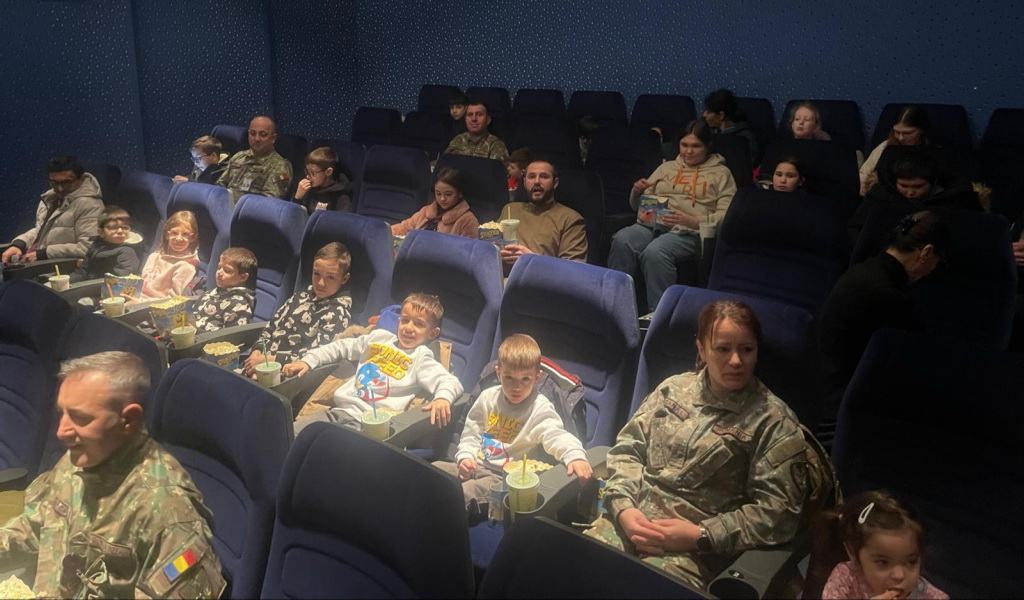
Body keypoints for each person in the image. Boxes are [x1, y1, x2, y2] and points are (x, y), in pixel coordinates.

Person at [583, 300, 811, 589]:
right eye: (723, 349)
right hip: (628, 524)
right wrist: (623, 508)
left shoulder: (772, 421)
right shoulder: (673, 389)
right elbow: (628, 450)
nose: (736, 361)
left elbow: (779, 513)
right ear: (702, 349)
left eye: (746, 349)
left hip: (695, 553)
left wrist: (701, 535)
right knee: (570, 575)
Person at [0, 351, 225, 599]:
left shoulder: (168, 514)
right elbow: (38, 526)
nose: (61, 431)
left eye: (79, 417)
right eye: (62, 413)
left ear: (127, 419)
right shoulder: (80, 459)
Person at [434, 333, 592, 509]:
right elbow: (472, 432)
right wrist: (465, 456)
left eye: (525, 379)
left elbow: (557, 436)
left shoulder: (539, 408)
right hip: (474, 464)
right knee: (432, 472)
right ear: (498, 373)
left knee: (461, 494)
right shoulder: (487, 397)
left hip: (503, 478)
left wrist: (575, 456)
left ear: (537, 378)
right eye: (509, 377)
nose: (517, 387)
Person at [284, 292, 464, 433]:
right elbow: (340, 347)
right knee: (289, 435)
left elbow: (450, 382)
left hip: (368, 426)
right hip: (337, 411)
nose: (409, 328)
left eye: (419, 324)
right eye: (405, 320)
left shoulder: (421, 358)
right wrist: (308, 361)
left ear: (432, 333)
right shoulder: (379, 338)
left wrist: (443, 398)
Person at [819, 211, 950, 401]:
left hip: (825, 379)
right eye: (939, 261)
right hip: (847, 391)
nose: (932, 271)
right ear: (926, 252)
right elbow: (917, 351)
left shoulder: (863, 269)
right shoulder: (889, 296)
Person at [608, 120, 737, 313]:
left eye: (695, 146)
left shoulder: (721, 173)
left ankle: (660, 315)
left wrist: (695, 222)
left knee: (656, 252)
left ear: (707, 146)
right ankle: (615, 307)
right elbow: (639, 208)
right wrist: (637, 193)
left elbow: (727, 214)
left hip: (690, 231)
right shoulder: (666, 168)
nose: (688, 151)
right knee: (622, 240)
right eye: (684, 145)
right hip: (654, 223)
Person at [813, 491, 948, 599]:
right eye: (883, 562)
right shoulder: (846, 579)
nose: (899, 575)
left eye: (911, 562)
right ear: (853, 551)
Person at [243, 242, 352, 376]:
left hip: (287, 373)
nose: (320, 283)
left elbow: (317, 355)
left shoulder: (337, 313)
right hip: (260, 363)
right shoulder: (299, 297)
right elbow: (270, 329)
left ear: (344, 279)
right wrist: (256, 353)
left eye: (330, 277)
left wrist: (266, 361)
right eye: (317, 274)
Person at [850, 152, 979, 241]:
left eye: (918, 186)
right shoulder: (881, 196)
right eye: (904, 186)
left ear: (933, 182)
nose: (910, 192)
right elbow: (856, 228)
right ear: (894, 182)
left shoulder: (957, 198)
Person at [2, 155, 104, 265]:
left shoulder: (90, 205)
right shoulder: (50, 199)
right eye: (54, 183)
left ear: (81, 179)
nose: (60, 188)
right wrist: (19, 244)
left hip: (58, 267)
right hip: (35, 260)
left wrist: (44, 253)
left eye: (66, 182)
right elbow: (41, 230)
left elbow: (88, 247)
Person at [498, 160, 588, 267]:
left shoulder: (571, 219)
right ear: (525, 182)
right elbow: (491, 245)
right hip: (498, 275)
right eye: (531, 177)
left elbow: (572, 270)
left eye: (544, 177)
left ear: (555, 183)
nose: (537, 181)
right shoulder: (510, 209)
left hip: (539, 277)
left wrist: (532, 261)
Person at [860, 106, 945, 197]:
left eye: (908, 133)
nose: (901, 138)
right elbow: (864, 174)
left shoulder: (935, 151)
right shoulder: (885, 147)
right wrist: (862, 185)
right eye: (897, 132)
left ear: (922, 130)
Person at [217, 115, 293, 205]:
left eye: (263, 135)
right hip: (223, 207)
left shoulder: (279, 166)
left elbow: (268, 203)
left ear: (273, 138)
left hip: (248, 211)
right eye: (252, 133)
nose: (257, 139)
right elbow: (220, 185)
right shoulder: (239, 156)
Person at [391, 168, 479, 238]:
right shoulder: (426, 212)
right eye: (438, 194)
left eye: (448, 194)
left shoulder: (468, 220)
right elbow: (404, 228)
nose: (442, 198)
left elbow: (468, 251)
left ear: (460, 194)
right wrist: (385, 231)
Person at [69, 205, 142, 283]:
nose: (120, 231)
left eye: (125, 228)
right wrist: (67, 281)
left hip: (107, 287)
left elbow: (122, 281)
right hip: (90, 283)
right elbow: (82, 271)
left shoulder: (127, 251)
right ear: (101, 232)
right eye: (113, 227)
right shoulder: (97, 245)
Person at [193, 247, 257, 332]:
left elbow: (232, 336)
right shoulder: (213, 292)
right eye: (219, 267)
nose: (219, 272)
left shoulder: (239, 304)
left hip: (208, 339)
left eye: (227, 270)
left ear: (243, 277)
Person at [139, 210, 200, 300]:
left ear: (192, 237)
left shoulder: (185, 267)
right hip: (136, 297)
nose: (178, 239)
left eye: (185, 234)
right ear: (167, 235)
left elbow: (172, 300)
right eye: (174, 233)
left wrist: (138, 303)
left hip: (153, 305)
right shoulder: (154, 256)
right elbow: (140, 284)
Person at [702, 88, 758, 162]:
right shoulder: (707, 132)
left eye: (709, 112)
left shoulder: (744, 139)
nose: (704, 115)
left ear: (721, 116)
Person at [292, 146, 353, 214]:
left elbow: (343, 220)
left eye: (312, 172)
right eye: (307, 171)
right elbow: (292, 216)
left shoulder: (341, 199)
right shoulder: (307, 190)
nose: (307, 176)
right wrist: (297, 197)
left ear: (328, 172)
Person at [444, 101, 509, 160]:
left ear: (488, 120)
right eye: (470, 115)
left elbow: (499, 169)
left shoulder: (495, 144)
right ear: (465, 119)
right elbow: (443, 163)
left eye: (479, 114)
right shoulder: (458, 140)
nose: (474, 119)